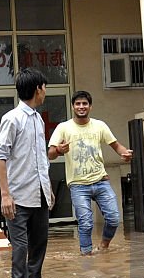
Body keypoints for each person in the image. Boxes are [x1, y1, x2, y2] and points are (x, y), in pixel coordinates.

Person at [48, 90, 133, 255]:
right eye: (78, 104)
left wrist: (125, 154)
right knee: (86, 223)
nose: (81, 107)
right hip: (78, 184)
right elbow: (50, 154)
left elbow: (116, 146)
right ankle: (86, 256)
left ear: (90, 107)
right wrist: (59, 149)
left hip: (101, 180)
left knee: (114, 218)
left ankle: (104, 246)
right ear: (73, 106)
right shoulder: (63, 127)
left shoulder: (99, 125)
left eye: (84, 103)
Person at [0, 68, 54, 278]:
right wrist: (5, 195)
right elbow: (1, 156)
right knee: (20, 247)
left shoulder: (38, 119)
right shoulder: (12, 119)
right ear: (38, 89)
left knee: (40, 243)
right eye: (44, 87)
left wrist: (47, 188)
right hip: (17, 196)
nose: (45, 92)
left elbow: (40, 158)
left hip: (39, 193)